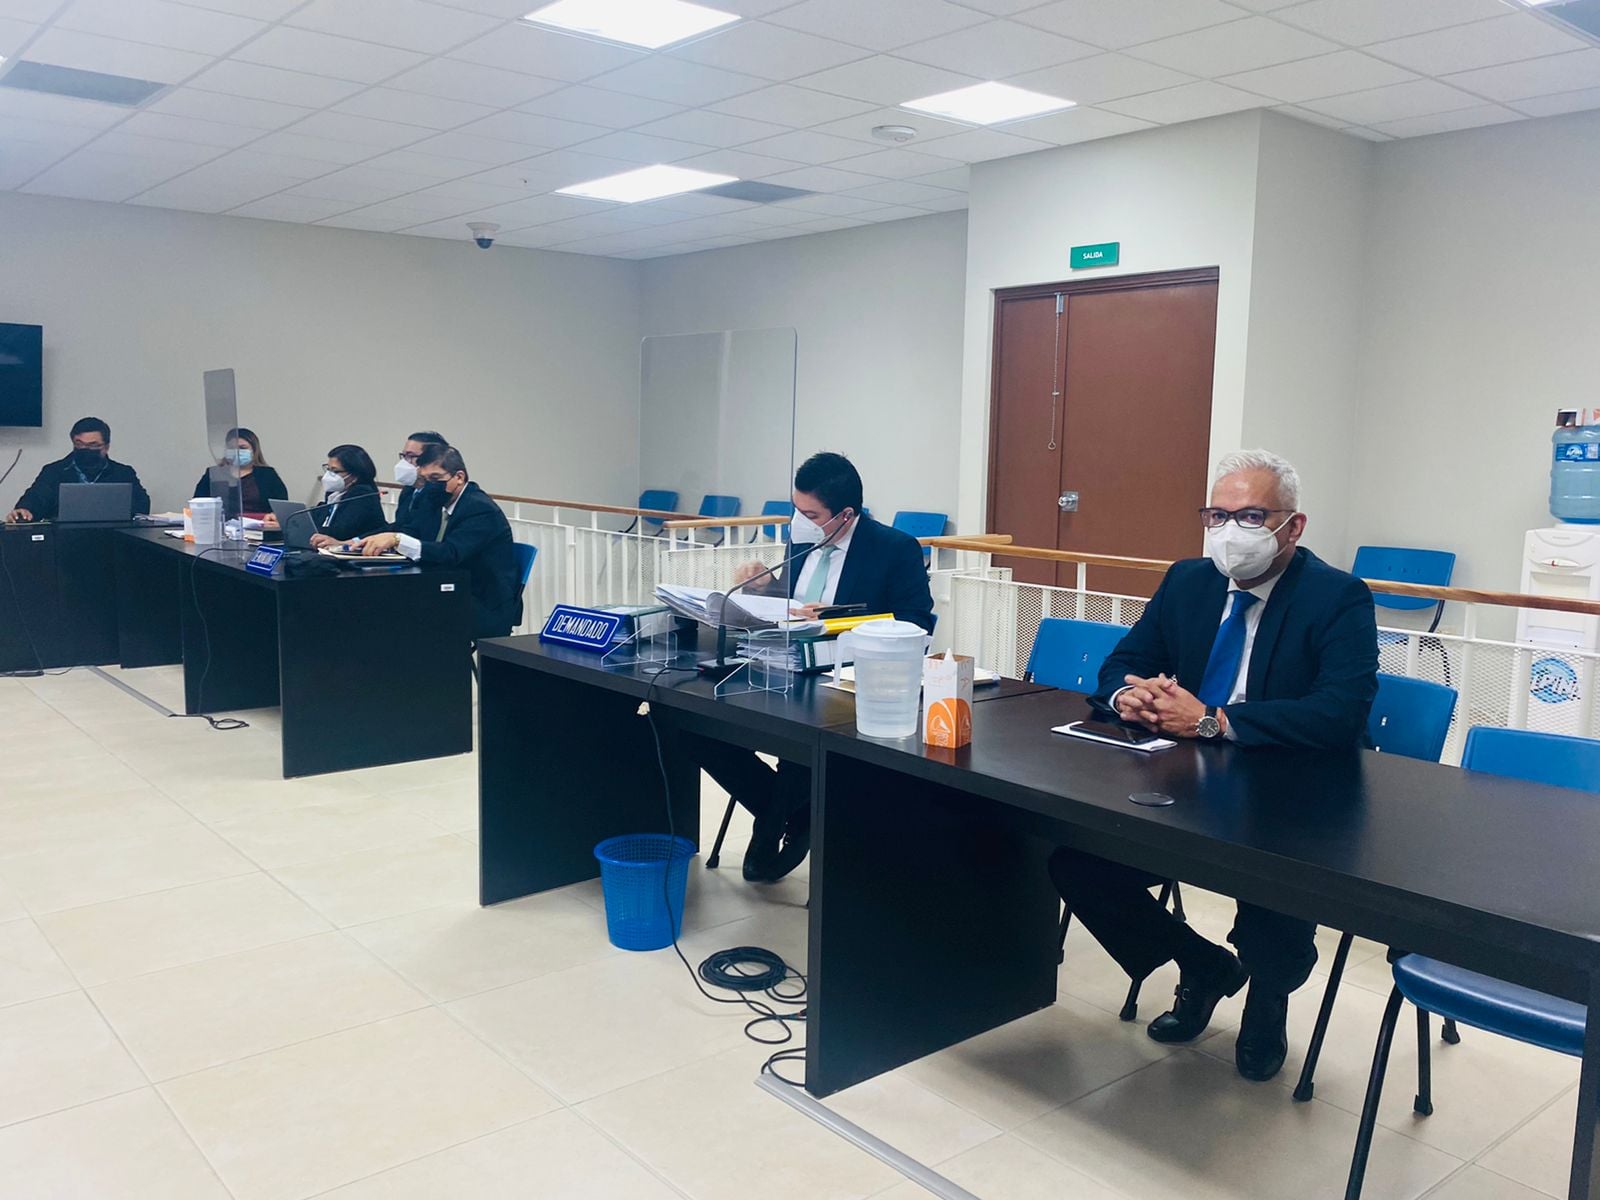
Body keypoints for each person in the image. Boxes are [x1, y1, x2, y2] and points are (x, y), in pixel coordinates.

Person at [1049, 449, 1378, 1084]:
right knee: (1077, 859)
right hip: (1187, 782)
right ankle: (1202, 965)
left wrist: (1215, 721)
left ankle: (1267, 1002)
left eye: (1251, 516)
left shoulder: (1337, 596)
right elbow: (1123, 663)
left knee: (1273, 891)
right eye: (1217, 515)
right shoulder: (1189, 581)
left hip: (1291, 790)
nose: (1231, 531)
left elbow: (1340, 712)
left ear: (1293, 526)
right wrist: (1126, 696)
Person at [690, 451, 935, 884]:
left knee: (799, 745)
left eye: (811, 514)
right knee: (698, 727)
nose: (801, 522)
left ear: (845, 515)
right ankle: (795, 816)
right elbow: (792, 608)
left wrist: (839, 618)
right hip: (782, 668)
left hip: (842, 683)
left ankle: (773, 827)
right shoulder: (803, 542)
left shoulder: (894, 549)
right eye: (797, 510)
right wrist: (766, 586)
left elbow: (916, 621)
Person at [348, 444, 521, 639]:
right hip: (443, 588)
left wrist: (397, 540)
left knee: (398, 617)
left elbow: (451, 552)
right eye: (425, 479)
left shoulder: (480, 509)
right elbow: (412, 530)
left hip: (482, 603)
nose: (430, 485)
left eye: (436, 478)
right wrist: (370, 540)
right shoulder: (434, 500)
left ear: (459, 477)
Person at [6, 417, 150, 523]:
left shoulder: (123, 473)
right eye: (80, 444)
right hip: (63, 539)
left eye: (93, 445)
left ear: (106, 447)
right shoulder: (54, 471)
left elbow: (142, 506)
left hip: (113, 539)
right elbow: (36, 498)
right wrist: (24, 510)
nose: (86, 450)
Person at [192, 427, 287, 515]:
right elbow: (198, 504)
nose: (237, 451)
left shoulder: (268, 475)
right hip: (222, 525)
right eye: (232, 448)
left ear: (254, 450)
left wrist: (273, 517)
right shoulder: (214, 474)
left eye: (242, 448)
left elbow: (281, 507)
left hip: (260, 526)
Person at [305, 445, 385, 546]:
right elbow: (320, 522)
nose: (329, 475)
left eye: (335, 471)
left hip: (355, 552)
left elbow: (340, 532)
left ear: (355, 475)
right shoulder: (334, 494)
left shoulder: (363, 495)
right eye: (328, 469)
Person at [390, 430, 448, 534]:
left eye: (411, 456)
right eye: (404, 456)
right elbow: (398, 526)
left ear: (432, 459)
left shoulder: (437, 494)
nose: (404, 462)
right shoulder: (408, 490)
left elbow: (419, 531)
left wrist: (392, 539)